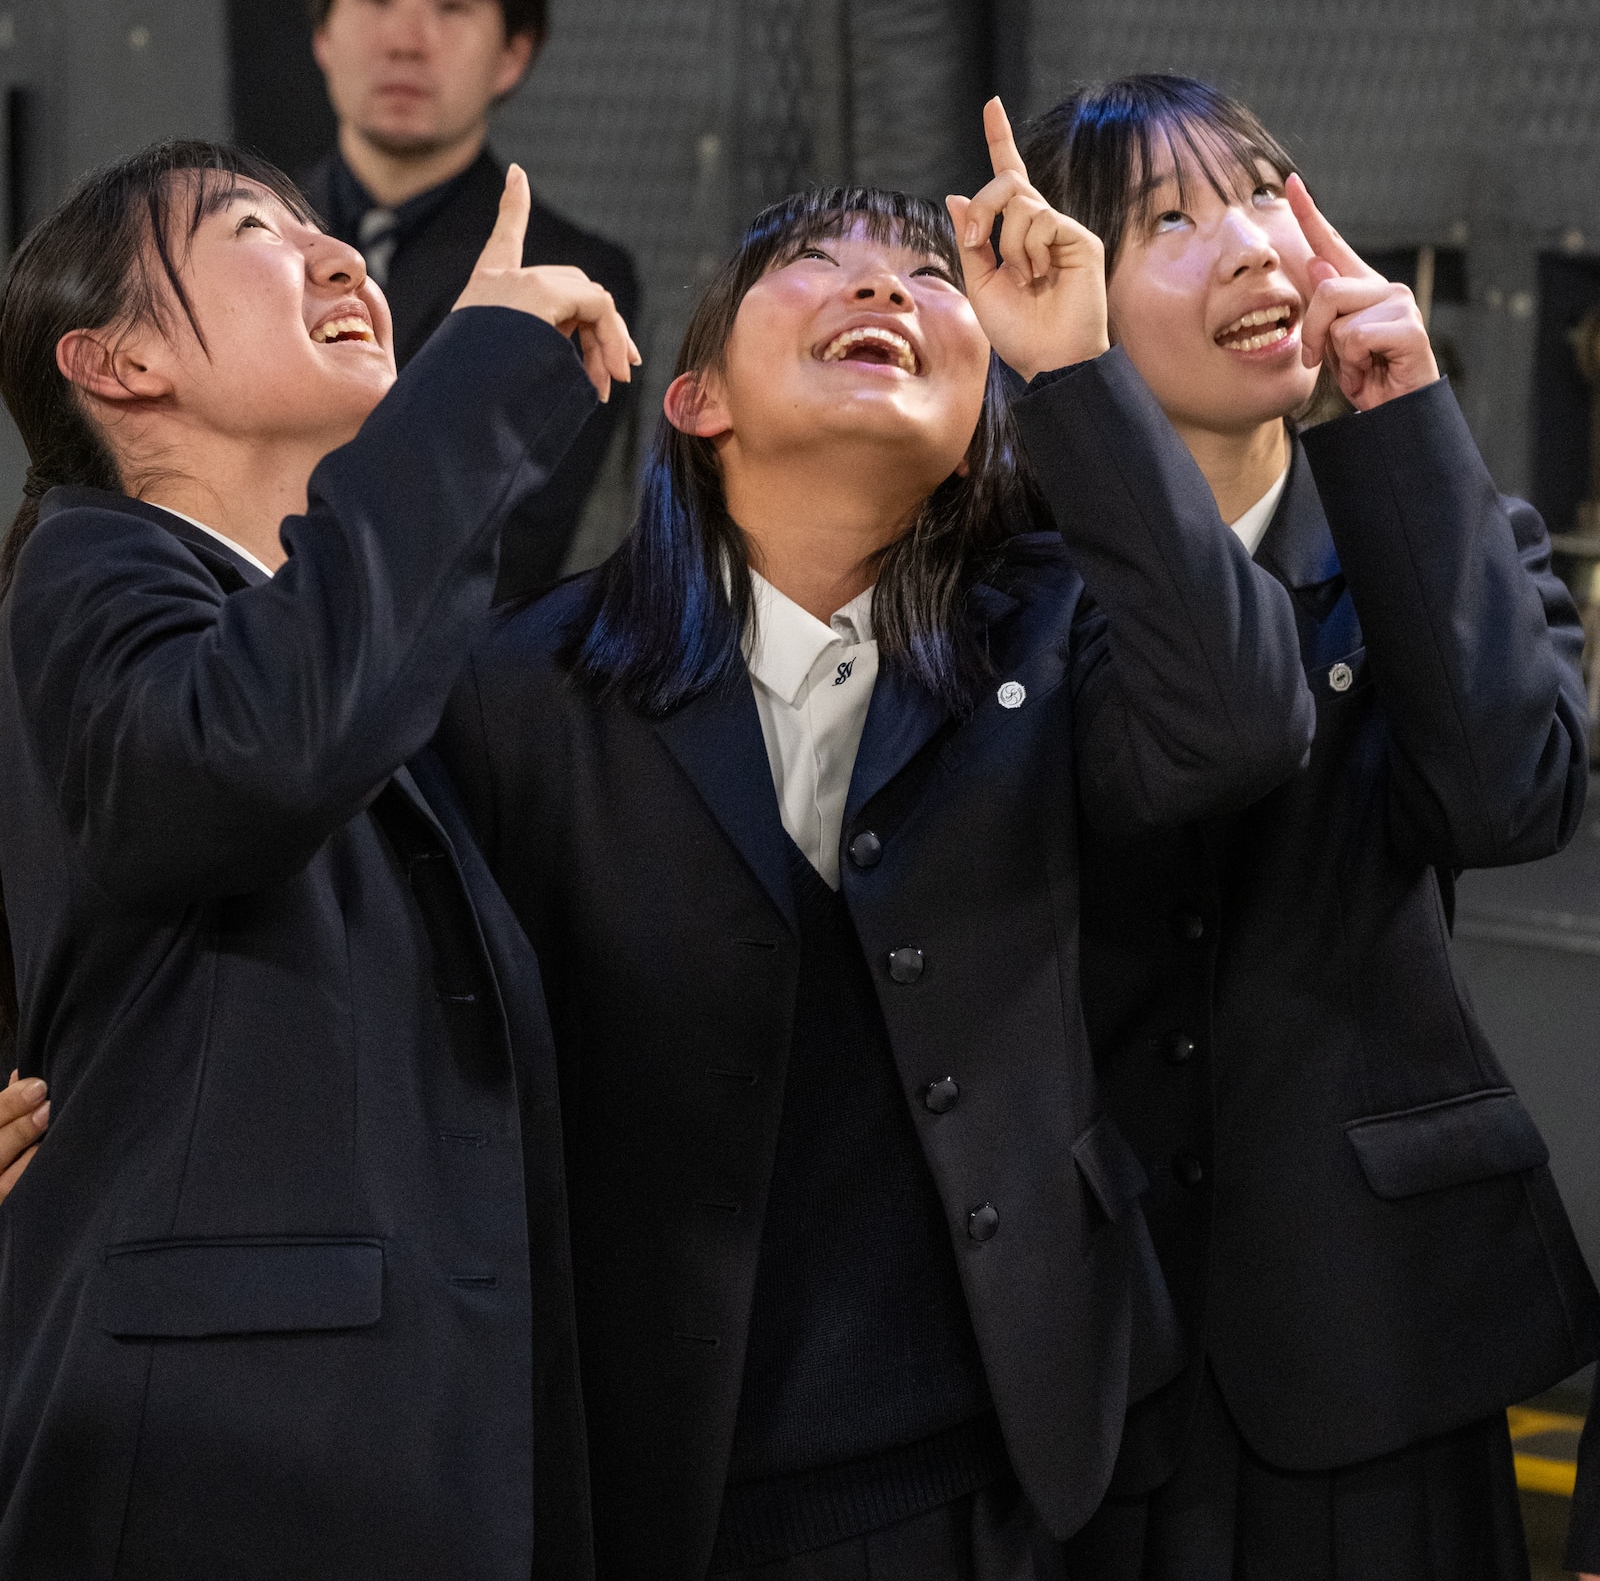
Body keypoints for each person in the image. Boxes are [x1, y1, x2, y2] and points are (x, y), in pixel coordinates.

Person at [433, 100, 1318, 1579]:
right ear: (697, 398)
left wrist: (1082, 374)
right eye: (816, 262)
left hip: (1005, 1478)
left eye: (925, 277)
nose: (882, 288)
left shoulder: (1053, 627)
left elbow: (1241, 726)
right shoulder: (526, 688)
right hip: (656, 1475)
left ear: (981, 426)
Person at [0, 139, 635, 1578]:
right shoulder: (90, 565)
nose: (343, 258)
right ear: (115, 366)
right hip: (229, 1464)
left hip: (395, 1447)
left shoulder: (347, 641)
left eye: (325, 232)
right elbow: (243, 756)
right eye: (255, 231)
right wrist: (475, 379)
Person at [1015, 75, 1599, 1580]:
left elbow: (1513, 798)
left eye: (1268, 194)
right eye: (1170, 221)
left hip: (1378, 1334)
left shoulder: (1440, 523)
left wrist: (1404, 416)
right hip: (1086, 1342)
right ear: (1068, 293)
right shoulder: (1005, 582)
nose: (1255, 247)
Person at [300, 0, 639, 593]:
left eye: (452, 5)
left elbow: (507, 546)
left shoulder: (568, 279)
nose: (406, 40)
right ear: (324, 32)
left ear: (513, 55)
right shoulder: (239, 243)